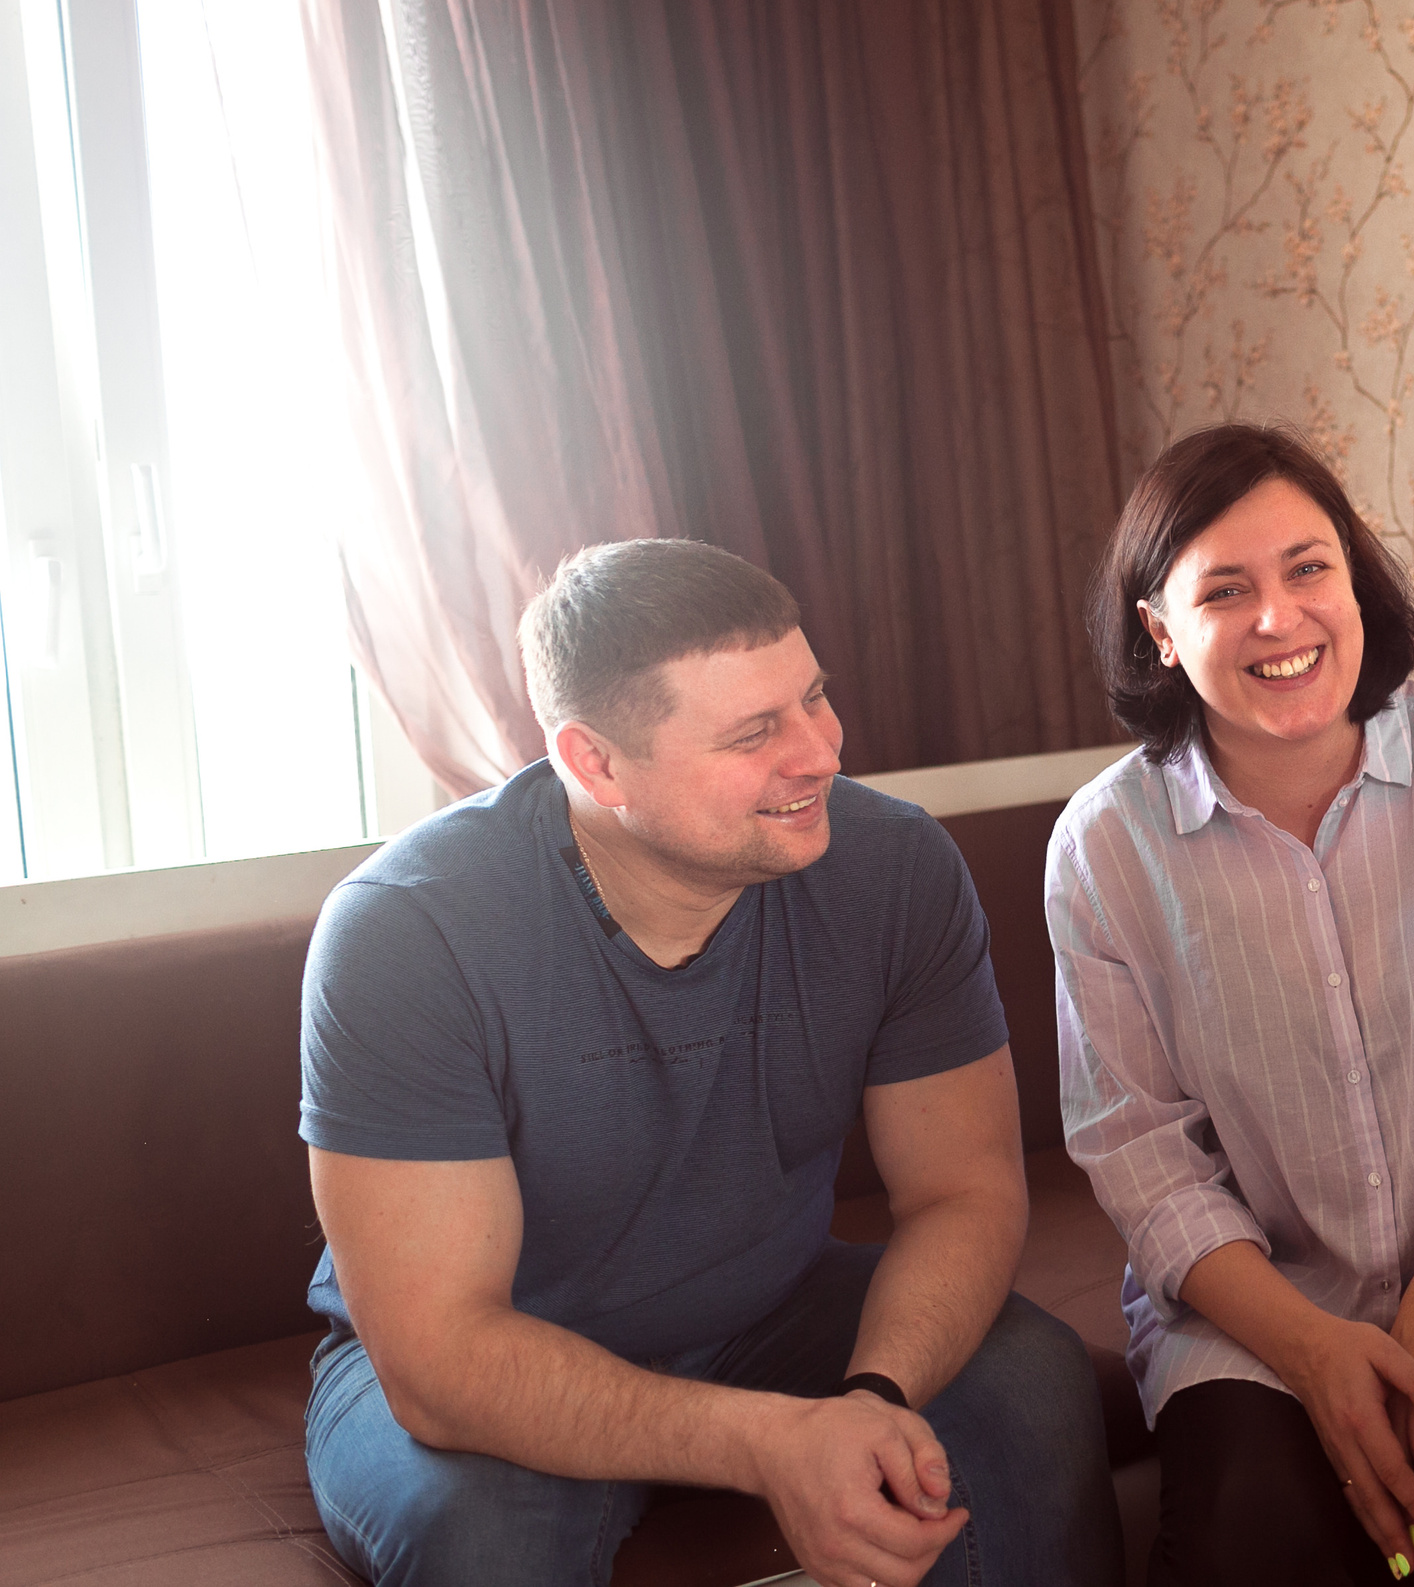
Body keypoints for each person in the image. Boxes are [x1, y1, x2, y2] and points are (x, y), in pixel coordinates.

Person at [299, 539, 1121, 1587]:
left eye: (814, 697)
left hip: (769, 1307)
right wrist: (769, 1442)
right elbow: (443, 1357)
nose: (821, 753)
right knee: (483, 1537)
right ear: (595, 762)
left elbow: (964, 1191)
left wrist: (870, 1402)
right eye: (753, 732)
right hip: (496, 1343)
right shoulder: (407, 932)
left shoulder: (896, 867)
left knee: (1034, 1381)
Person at [1047, 425, 1414, 1586]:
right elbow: (1141, 1158)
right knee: (1251, 1534)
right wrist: (1316, 1353)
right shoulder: (1103, 846)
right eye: (1225, 591)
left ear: (1355, 579)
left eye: (1307, 568)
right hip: (1258, 1308)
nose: (1280, 618)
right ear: (1160, 632)